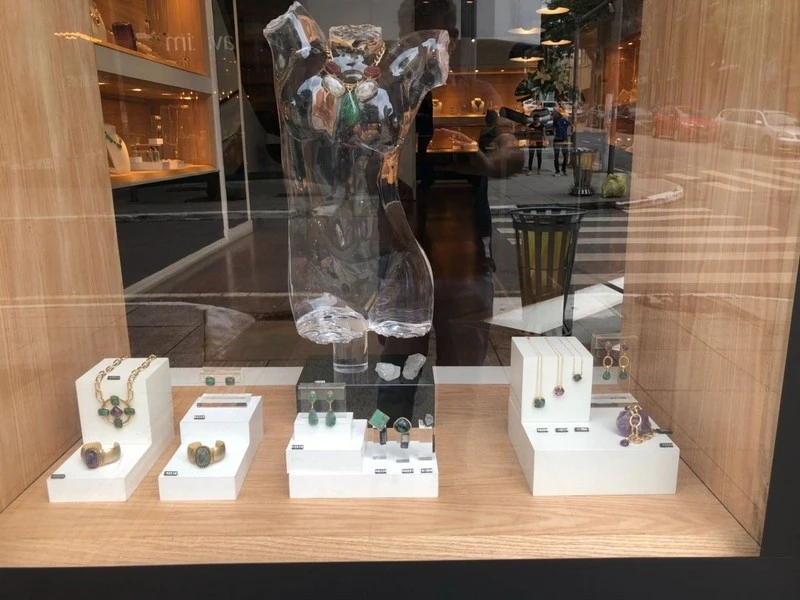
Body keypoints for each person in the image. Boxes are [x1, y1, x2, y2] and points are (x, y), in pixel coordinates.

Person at [552, 107, 572, 176]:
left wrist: (570, 133)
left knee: (564, 155)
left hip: (563, 139)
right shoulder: (556, 120)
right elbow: (553, 128)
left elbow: (572, 125)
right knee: (557, 155)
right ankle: (558, 170)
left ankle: (562, 169)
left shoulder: (564, 120)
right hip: (559, 139)